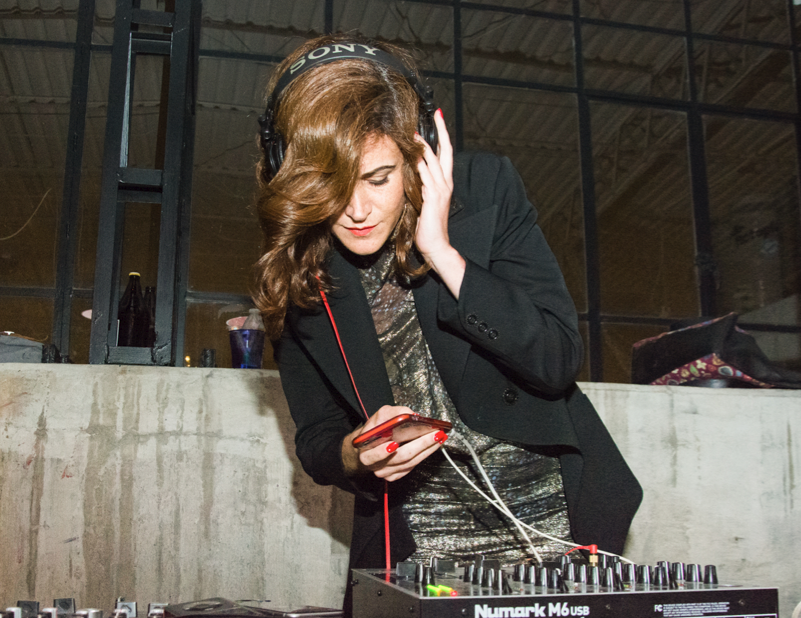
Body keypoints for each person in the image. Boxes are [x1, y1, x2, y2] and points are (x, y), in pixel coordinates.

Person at [252, 33, 642, 612]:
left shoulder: (486, 190)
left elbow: (556, 359)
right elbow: (316, 440)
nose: (356, 210)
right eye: (332, 186)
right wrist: (358, 453)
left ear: (420, 151)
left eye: (378, 178)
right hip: (416, 553)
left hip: (556, 530)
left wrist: (442, 252)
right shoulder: (299, 265)